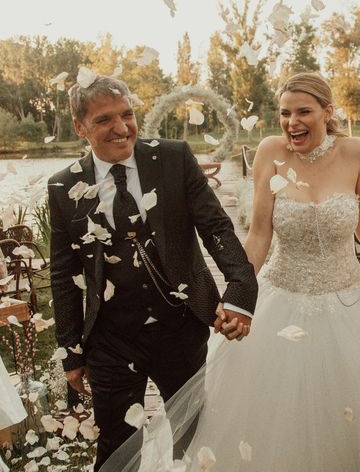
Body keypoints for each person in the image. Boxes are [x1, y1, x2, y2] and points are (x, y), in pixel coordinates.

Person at [103, 72, 360, 471]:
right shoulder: (270, 152)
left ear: (327, 112)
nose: (291, 122)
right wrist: (239, 295)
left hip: (348, 300)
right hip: (279, 297)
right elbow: (261, 232)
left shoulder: (356, 154)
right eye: (284, 113)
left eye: (303, 112)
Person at [47, 75, 258, 470]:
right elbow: (63, 276)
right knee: (115, 446)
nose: (121, 127)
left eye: (127, 114)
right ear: (80, 127)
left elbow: (217, 229)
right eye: (104, 119)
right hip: (110, 339)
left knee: (194, 437)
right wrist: (71, 352)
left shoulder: (174, 157)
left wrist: (241, 293)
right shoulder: (64, 186)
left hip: (181, 325)